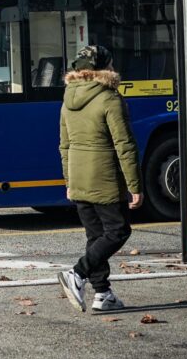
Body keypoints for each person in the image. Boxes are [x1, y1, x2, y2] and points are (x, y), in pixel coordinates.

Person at [56, 44, 142, 312]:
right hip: (104, 177)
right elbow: (124, 144)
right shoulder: (110, 99)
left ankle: (103, 294)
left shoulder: (68, 99)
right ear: (106, 68)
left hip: (79, 177)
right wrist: (134, 186)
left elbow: (64, 145)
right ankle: (77, 273)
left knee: (96, 236)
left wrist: (69, 181)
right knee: (118, 231)